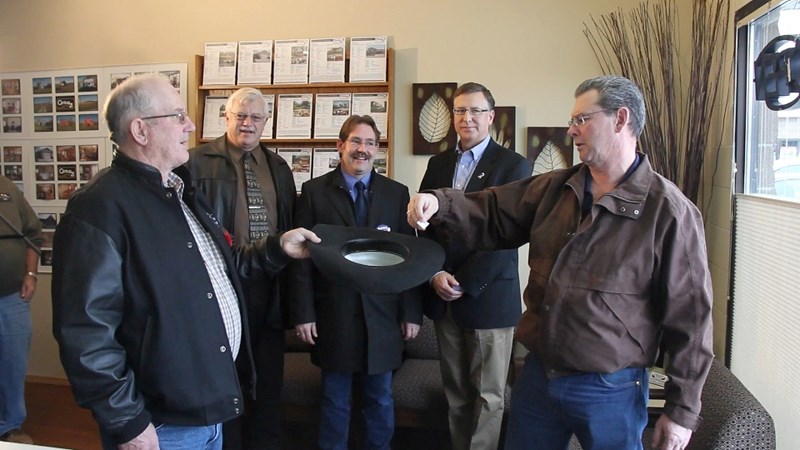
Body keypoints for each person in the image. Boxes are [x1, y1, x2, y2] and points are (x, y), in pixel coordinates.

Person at [408, 75, 714, 450]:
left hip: (610, 389)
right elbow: (492, 209)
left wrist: (682, 411)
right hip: (538, 376)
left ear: (620, 119)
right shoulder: (556, 188)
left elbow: (692, 321)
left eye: (582, 119)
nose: (571, 130)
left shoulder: (670, 212)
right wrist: (441, 203)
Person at [51, 74, 320, 450]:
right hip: (161, 423)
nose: (190, 125)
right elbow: (86, 331)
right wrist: (126, 421)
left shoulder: (180, 190)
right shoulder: (99, 208)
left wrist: (277, 247)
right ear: (141, 130)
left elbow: (220, 269)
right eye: (178, 116)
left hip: (208, 408)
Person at [290, 115, 422, 450]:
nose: (362, 149)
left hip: (383, 318)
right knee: (335, 401)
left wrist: (411, 313)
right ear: (340, 146)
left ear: (378, 150)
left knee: (379, 400)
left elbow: (410, 260)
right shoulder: (314, 192)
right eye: (356, 142)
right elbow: (301, 260)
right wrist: (304, 313)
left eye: (370, 143)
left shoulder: (397, 194)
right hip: (334, 315)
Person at [417, 82, 531, 450]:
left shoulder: (515, 165)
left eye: (476, 111)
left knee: (488, 397)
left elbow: (509, 233)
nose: (467, 118)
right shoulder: (438, 164)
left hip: (488, 297)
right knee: (457, 394)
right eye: (460, 111)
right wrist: (435, 274)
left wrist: (463, 280)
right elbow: (424, 225)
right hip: (444, 295)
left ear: (491, 117)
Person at [189, 87, 294, 450]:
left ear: (266, 122)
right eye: (240, 116)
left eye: (256, 117)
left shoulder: (278, 167)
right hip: (223, 286)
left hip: (270, 285)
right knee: (228, 380)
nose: (247, 124)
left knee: (267, 382)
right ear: (226, 117)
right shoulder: (196, 163)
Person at [0, 175, 43, 445]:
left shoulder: (6, 187)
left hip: (11, 296)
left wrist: (31, 274)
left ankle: (10, 427)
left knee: (12, 364)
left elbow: (33, 233)